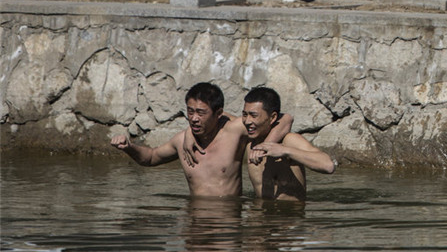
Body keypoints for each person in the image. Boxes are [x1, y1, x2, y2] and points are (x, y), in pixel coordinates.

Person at [110, 82, 290, 197]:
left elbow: (285, 119)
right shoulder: (182, 140)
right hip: (194, 220)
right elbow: (150, 158)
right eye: (190, 112)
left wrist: (267, 146)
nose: (194, 118)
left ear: (218, 113)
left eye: (201, 113)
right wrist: (129, 147)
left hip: (227, 222)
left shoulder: (234, 132)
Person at [241, 86, 335, 201]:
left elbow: (328, 166)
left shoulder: (289, 141)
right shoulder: (247, 141)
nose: (247, 121)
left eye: (254, 115)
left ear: (273, 117)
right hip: (260, 215)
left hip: (290, 216)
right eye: (245, 114)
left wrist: (285, 151)